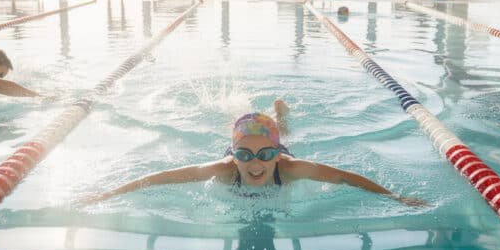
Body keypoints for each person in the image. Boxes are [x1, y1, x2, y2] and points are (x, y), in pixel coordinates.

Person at [79, 101, 424, 206]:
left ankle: (281, 117)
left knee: (283, 132)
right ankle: (250, 121)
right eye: (245, 156)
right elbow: (162, 178)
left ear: (275, 155)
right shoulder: (224, 168)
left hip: (276, 142)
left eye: (264, 156)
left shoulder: (289, 167)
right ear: (233, 156)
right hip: (249, 142)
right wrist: (107, 195)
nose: (255, 165)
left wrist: (396, 198)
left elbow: (345, 177)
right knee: (249, 137)